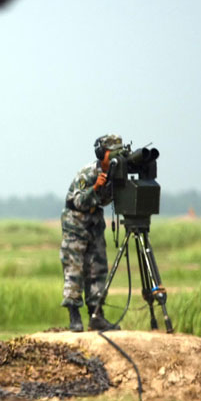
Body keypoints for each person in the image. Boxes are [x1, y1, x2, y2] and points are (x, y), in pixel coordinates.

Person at [61, 134, 123, 332]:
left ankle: (96, 315)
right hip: (75, 224)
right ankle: (74, 315)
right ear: (102, 154)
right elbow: (77, 201)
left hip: (95, 222)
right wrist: (95, 188)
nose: (116, 157)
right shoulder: (88, 173)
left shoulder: (116, 173)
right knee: (74, 269)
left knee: (98, 268)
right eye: (112, 153)